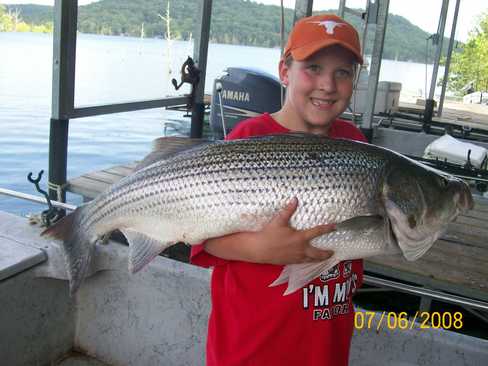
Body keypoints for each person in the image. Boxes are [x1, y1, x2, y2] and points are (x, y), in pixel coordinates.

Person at [191, 13, 367, 366]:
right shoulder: (247, 139)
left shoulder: (356, 144)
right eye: (313, 67)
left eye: (342, 73)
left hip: (326, 349)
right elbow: (201, 240)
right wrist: (264, 248)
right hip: (248, 349)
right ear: (285, 72)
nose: (328, 85)